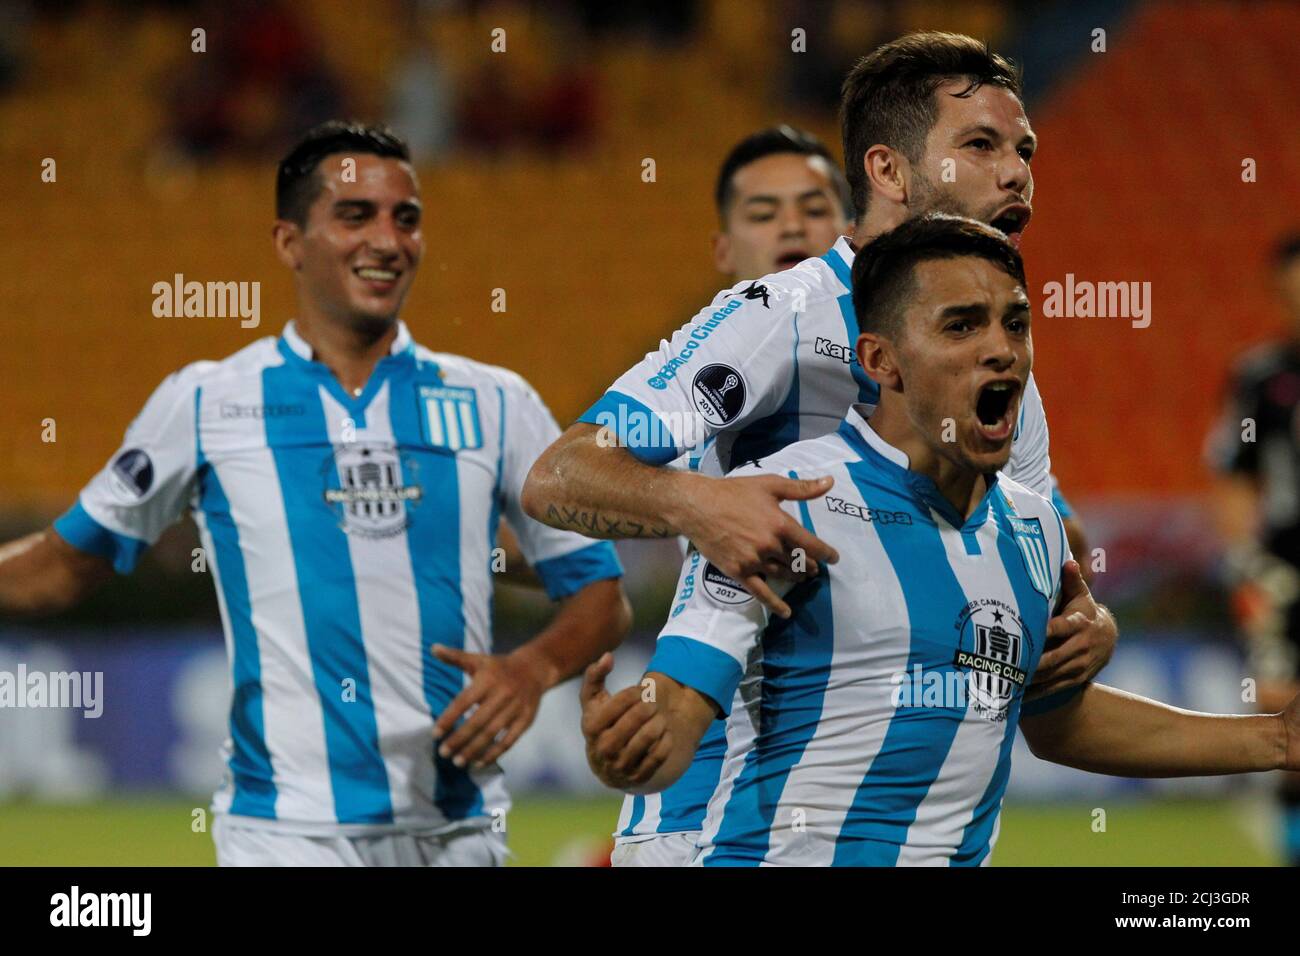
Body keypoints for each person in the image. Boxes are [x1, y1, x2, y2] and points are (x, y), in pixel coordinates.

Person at [524, 31, 1116, 863]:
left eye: (1024, 149)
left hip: (892, 823)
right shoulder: (787, 314)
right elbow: (558, 475)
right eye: (979, 145)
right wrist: (702, 504)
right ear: (887, 171)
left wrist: (1089, 620)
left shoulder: (996, 365)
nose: (1017, 171)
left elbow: (1043, 563)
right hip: (716, 811)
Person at [0, 121, 630, 866]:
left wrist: (530, 670)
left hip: (458, 835)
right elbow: (62, 563)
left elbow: (600, 595)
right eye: (354, 215)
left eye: (407, 217)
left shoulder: (495, 403)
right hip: (284, 836)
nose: (388, 241)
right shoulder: (207, 403)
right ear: (289, 242)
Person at [584, 215, 1300, 866]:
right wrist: (637, 740)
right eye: (961, 327)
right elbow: (680, 700)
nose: (1001, 351)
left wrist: (1275, 739)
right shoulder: (787, 498)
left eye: (1014, 325)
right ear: (881, 360)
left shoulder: (1034, 528)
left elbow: (1055, 720)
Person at [1207, 232, 1300, 866]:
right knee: (1284, 715)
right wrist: (1249, 566)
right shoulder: (1262, 377)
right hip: (1287, 570)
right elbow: (1234, 476)